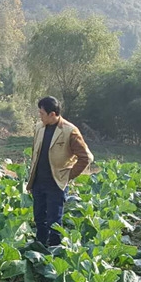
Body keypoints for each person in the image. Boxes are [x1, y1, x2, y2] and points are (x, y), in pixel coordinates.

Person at [27, 96, 93, 246]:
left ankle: (55, 251)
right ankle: (40, 247)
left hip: (56, 183)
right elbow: (35, 152)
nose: (40, 116)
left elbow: (86, 157)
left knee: (54, 221)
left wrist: (68, 175)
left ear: (52, 114)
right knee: (39, 218)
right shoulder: (39, 127)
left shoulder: (70, 131)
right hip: (38, 181)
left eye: (42, 113)